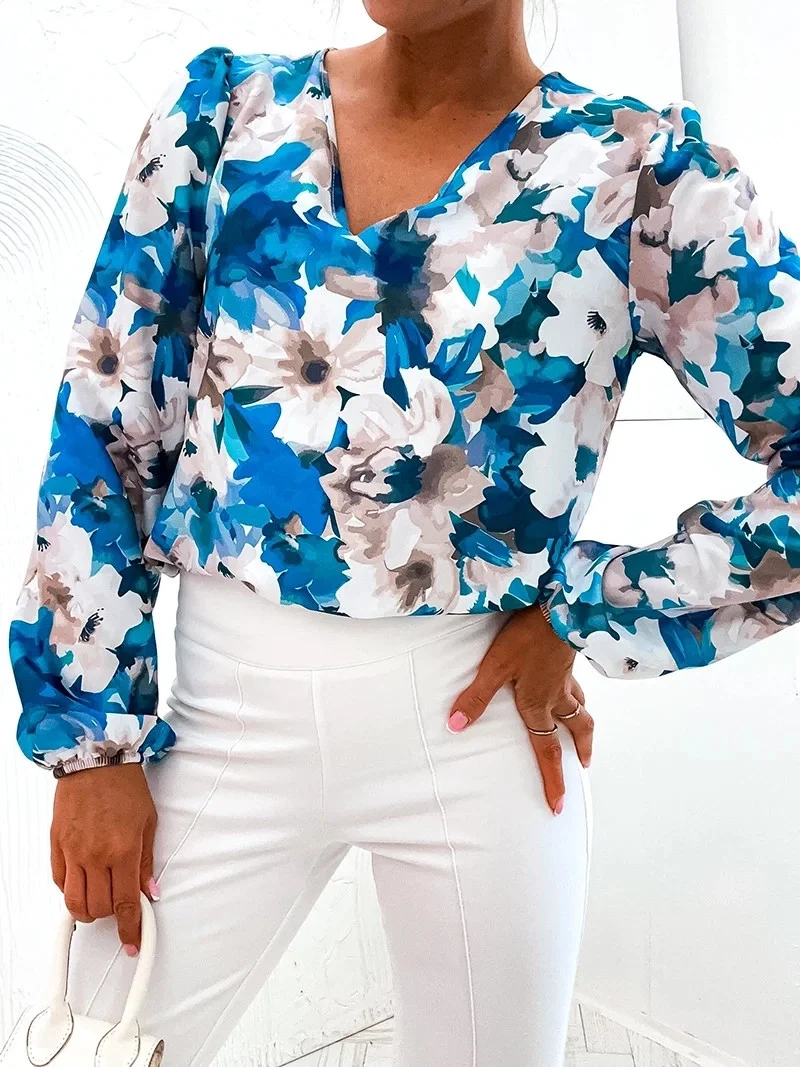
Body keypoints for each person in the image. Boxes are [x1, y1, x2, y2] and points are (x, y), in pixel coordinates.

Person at [7, 0, 800, 1064]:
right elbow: (105, 424)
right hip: (219, 721)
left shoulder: (642, 180)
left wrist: (590, 607)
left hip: (477, 734)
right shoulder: (226, 116)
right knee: (83, 1047)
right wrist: (88, 743)